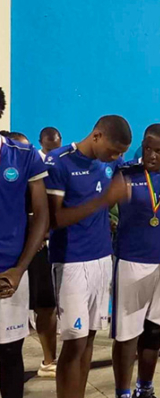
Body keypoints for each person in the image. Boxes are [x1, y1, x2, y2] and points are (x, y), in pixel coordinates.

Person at [45, 115, 132, 398]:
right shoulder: (59, 162)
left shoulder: (110, 163)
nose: (117, 157)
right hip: (71, 262)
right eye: (114, 150)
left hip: (102, 260)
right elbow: (54, 219)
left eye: (121, 153)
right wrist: (103, 202)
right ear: (97, 136)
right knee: (74, 343)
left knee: (90, 338)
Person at [111, 124, 160, 398]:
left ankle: (146, 388)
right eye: (148, 148)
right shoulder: (125, 174)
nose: (151, 155)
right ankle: (122, 391)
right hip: (130, 262)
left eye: (159, 151)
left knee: (153, 331)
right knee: (127, 335)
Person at [0, 132, 49, 398]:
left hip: (9, 272)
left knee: (9, 352)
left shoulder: (23, 155)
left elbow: (41, 214)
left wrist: (20, 269)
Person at [26, 127, 62, 378]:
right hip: (12, 250)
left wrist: (41, 234)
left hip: (38, 249)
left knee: (45, 305)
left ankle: (50, 360)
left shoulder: (53, 168)